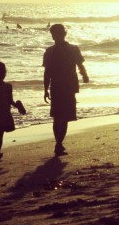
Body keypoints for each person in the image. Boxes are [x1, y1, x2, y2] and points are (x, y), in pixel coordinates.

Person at [43, 24, 89, 156]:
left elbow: (47, 73)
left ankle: (59, 143)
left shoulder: (49, 51)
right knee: (64, 117)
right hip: (69, 87)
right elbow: (80, 65)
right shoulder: (73, 49)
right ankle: (59, 144)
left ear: (53, 35)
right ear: (65, 33)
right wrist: (85, 75)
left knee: (57, 117)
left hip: (56, 87)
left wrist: (45, 89)